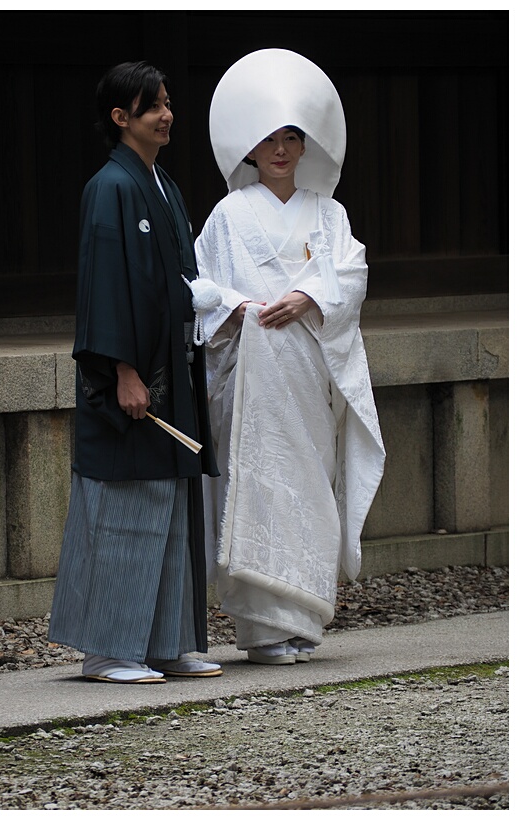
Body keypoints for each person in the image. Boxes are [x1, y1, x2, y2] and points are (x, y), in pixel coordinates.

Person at [195, 49, 386, 665]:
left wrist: (309, 295)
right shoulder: (227, 215)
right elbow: (200, 287)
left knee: (307, 482)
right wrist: (239, 308)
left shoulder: (329, 214)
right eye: (269, 139)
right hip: (253, 375)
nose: (280, 149)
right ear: (249, 148)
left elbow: (350, 275)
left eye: (292, 137)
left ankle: (302, 617)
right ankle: (259, 630)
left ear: (307, 146)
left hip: (307, 372)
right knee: (257, 480)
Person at [48, 61, 222, 683]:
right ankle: (107, 649)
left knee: (172, 502)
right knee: (123, 504)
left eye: (169, 102)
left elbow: (177, 278)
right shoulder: (111, 187)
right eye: (154, 107)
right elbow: (106, 290)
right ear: (122, 118)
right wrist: (123, 370)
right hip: (132, 372)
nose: (167, 114)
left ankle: (165, 642)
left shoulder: (162, 184)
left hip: (170, 366)